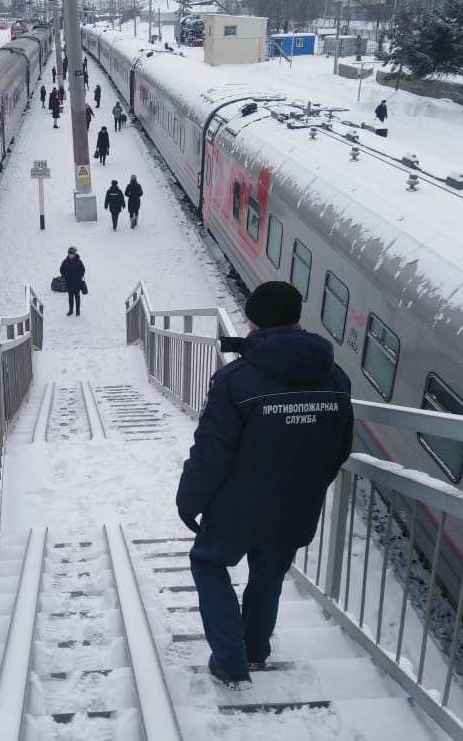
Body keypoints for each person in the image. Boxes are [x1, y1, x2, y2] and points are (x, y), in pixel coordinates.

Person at [176, 281, 354, 688]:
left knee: (209, 562)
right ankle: (255, 650)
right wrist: (306, 486)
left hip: (236, 509)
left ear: (252, 322)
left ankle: (230, 660)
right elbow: (339, 448)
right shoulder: (336, 378)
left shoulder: (235, 380)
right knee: (268, 574)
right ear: (295, 318)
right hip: (295, 506)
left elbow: (211, 453)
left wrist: (189, 501)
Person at [60, 246, 85, 316]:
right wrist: (65, 276)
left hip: (77, 283)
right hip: (69, 283)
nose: (70, 254)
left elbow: (83, 270)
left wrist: (78, 277)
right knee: (70, 297)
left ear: (74, 254)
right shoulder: (65, 262)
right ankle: (70, 310)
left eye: (71, 253)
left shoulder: (79, 262)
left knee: (77, 296)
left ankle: (77, 311)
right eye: (69, 253)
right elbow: (61, 270)